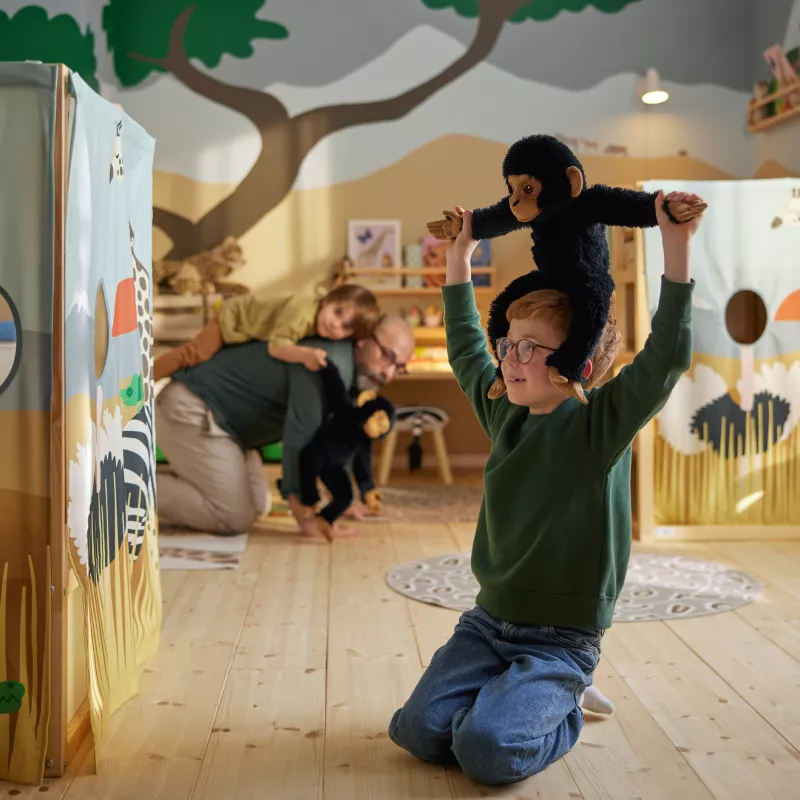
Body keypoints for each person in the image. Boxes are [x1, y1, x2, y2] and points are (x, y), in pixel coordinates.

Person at [388, 190, 702, 786]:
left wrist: (676, 245)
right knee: (416, 731)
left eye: (530, 348)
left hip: (562, 639)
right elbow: (463, 346)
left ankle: (564, 699)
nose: (511, 357)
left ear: (575, 359)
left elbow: (665, 355)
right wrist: (461, 256)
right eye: (509, 343)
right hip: (488, 623)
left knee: (485, 752)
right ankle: (512, 696)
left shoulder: (599, 425)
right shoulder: (503, 410)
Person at [154, 313, 414, 539]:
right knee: (234, 518)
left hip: (228, 429)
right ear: (365, 339)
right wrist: (308, 520)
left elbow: (336, 439)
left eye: (399, 367)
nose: (388, 373)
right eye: (387, 357)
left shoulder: (353, 372)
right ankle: (126, 489)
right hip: (191, 408)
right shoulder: (325, 359)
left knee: (257, 507)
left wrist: (338, 500)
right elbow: (299, 438)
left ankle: (191, 481)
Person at [153, 283, 380, 381]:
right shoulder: (302, 313)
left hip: (245, 326)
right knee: (195, 354)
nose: (334, 325)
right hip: (233, 319)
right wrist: (305, 355)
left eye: (345, 327)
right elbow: (276, 347)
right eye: (337, 312)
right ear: (328, 300)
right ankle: (145, 379)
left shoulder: (318, 321)